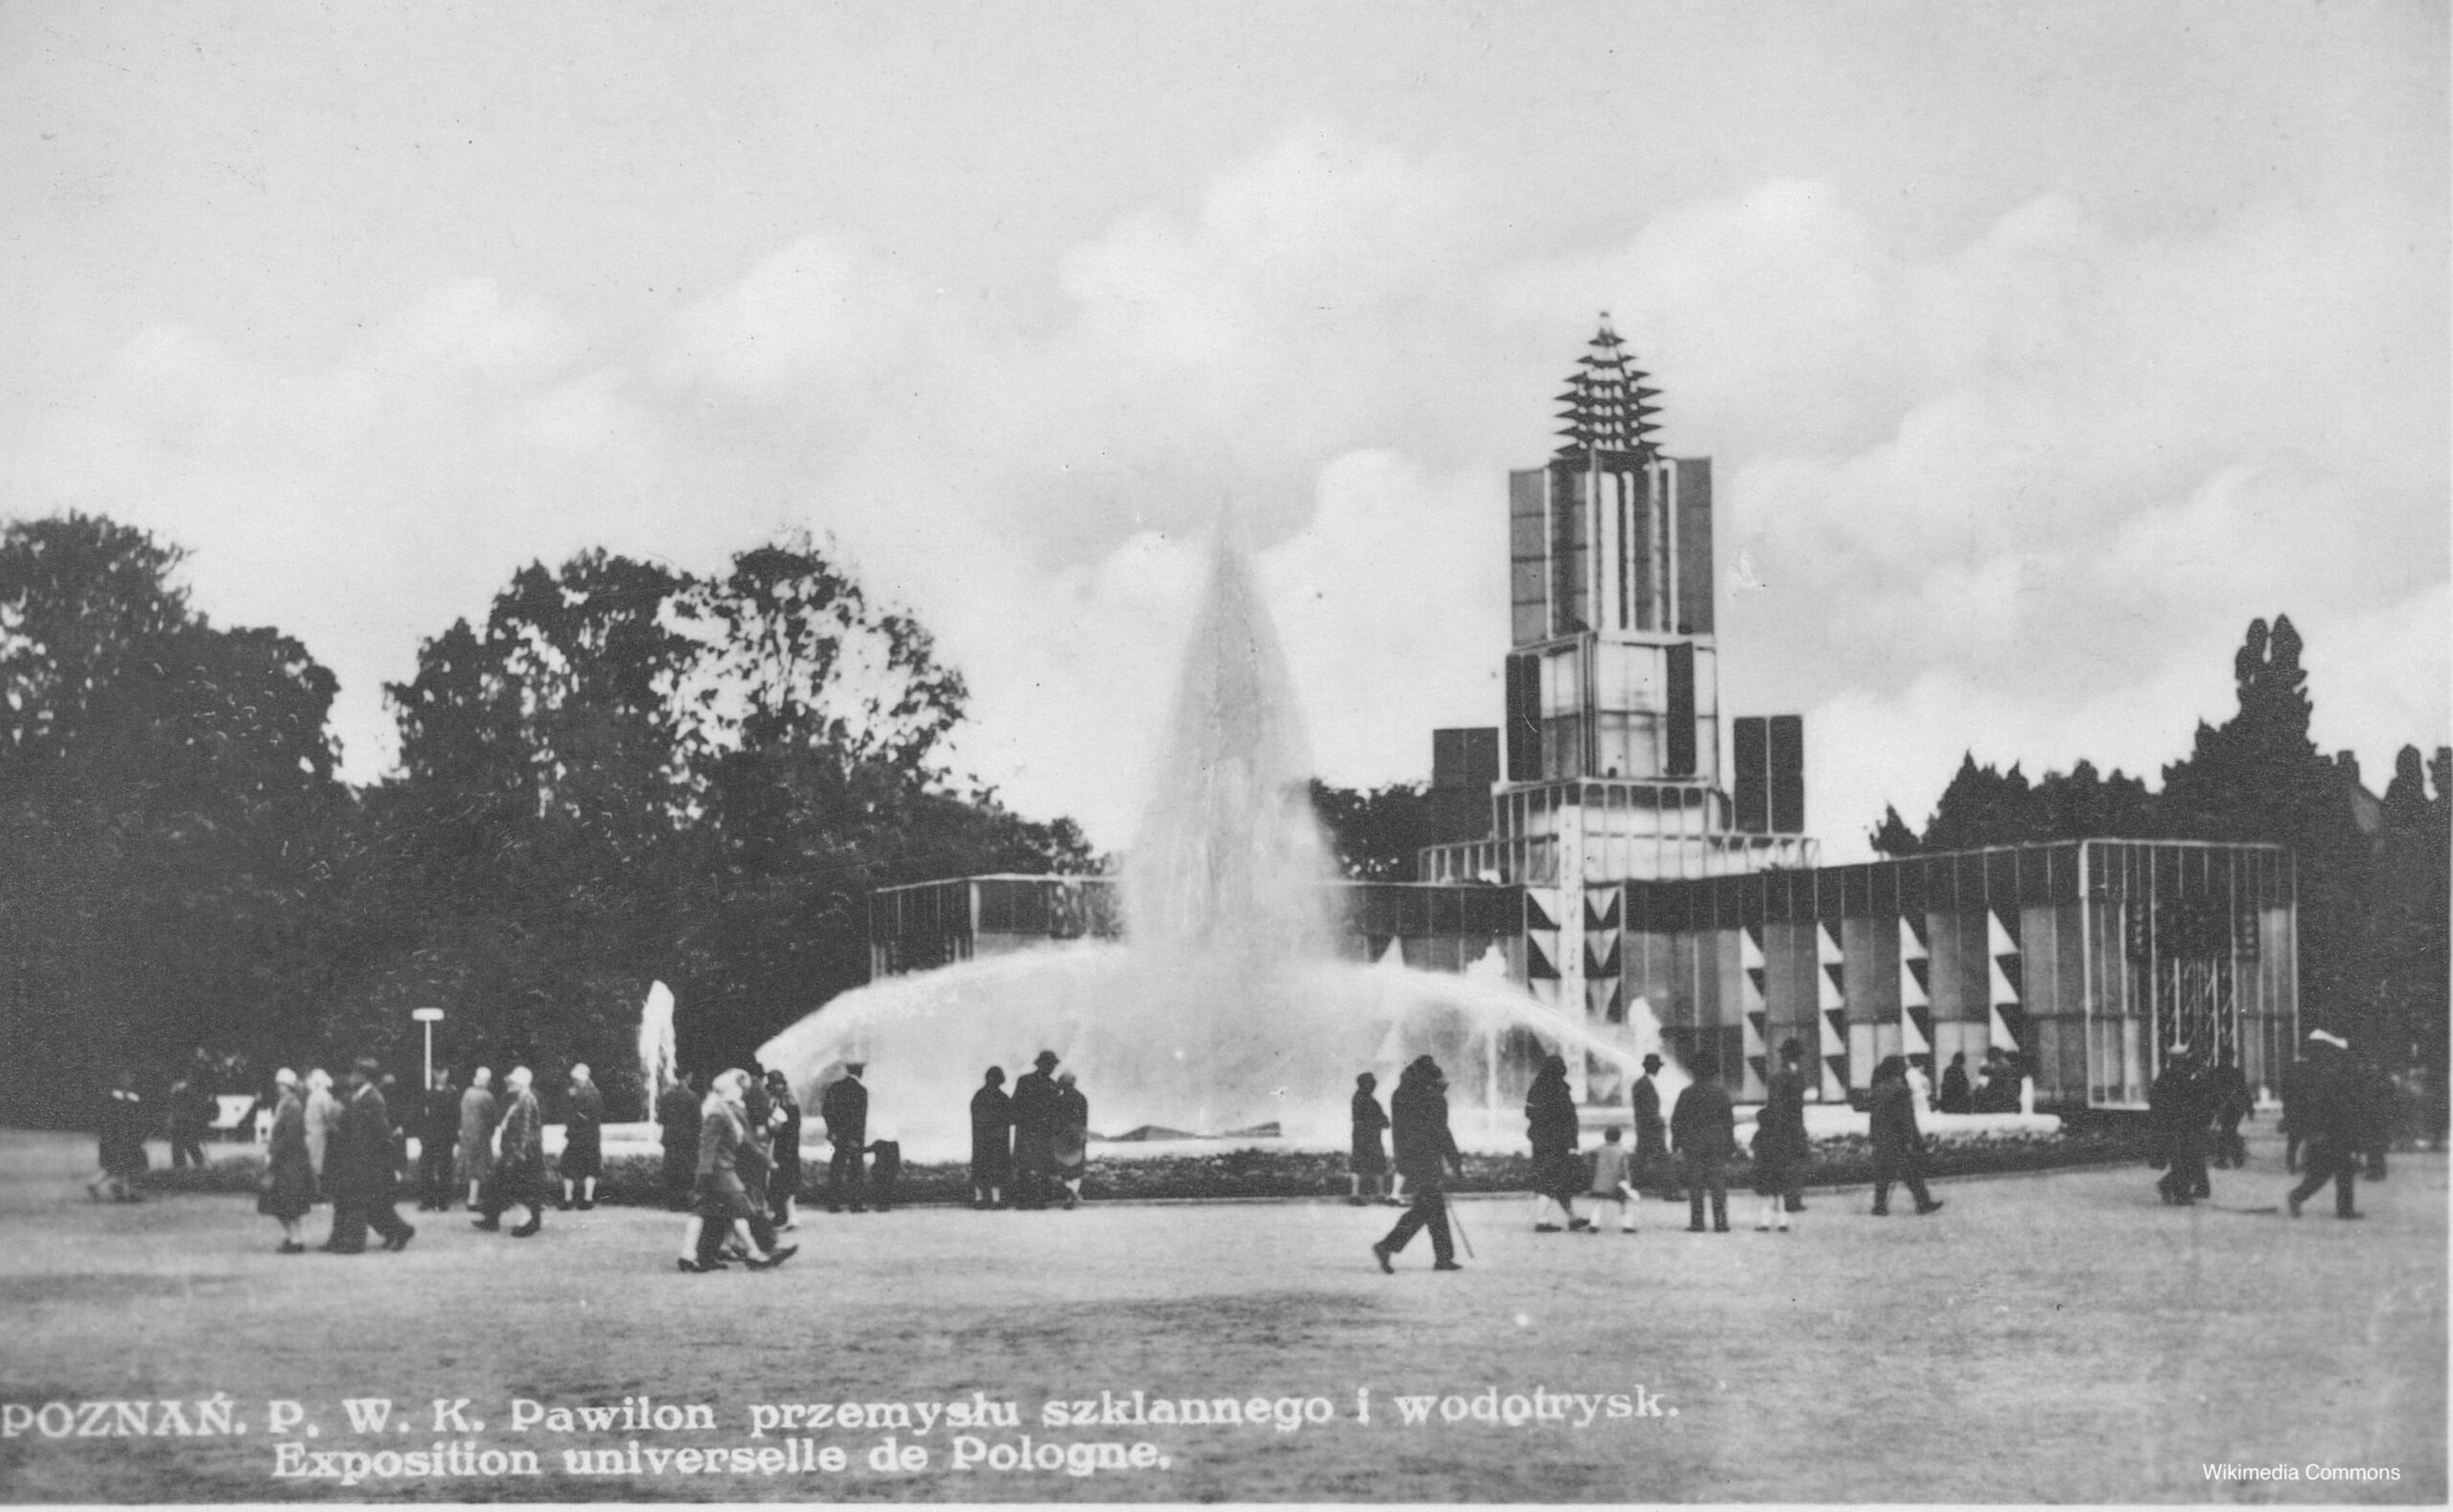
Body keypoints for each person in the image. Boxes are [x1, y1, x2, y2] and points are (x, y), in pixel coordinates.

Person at [678, 1070, 794, 1271]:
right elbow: (708, 1146)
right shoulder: (718, 1112)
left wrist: (768, 1161)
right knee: (743, 1209)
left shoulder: (725, 1111)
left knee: (704, 1212)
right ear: (731, 1090)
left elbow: (744, 1143)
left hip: (718, 1170)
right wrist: (703, 1174)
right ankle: (756, 1253)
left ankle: (691, 1256)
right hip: (720, 1171)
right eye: (740, 1089)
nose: (743, 1093)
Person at [1371, 1055, 1465, 1272]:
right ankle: (1387, 1245)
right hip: (1427, 1159)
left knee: (1433, 1206)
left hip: (1408, 1158)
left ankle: (1443, 1257)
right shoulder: (1432, 1097)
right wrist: (1455, 1160)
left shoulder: (1401, 1092)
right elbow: (1441, 1131)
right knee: (1427, 1207)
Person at [325, 1059, 415, 1253]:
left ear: (364, 1076)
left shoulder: (373, 1099)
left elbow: (381, 1132)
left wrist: (382, 1161)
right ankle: (399, 1231)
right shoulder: (363, 1096)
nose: (352, 1077)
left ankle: (355, 1242)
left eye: (356, 1073)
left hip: (368, 1160)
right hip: (360, 1158)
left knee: (362, 1200)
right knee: (374, 1203)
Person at [2285, 1030, 2363, 1221]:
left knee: (2335, 1170)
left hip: (2328, 1130)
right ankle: (2300, 1197)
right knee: (2330, 1171)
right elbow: (2330, 1103)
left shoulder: (2313, 1071)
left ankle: (2340, 1208)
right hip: (2328, 1131)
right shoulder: (2324, 1073)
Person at [1867, 1055, 1944, 1217]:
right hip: (1899, 1138)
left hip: (1883, 1137)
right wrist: (1910, 1139)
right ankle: (1923, 1203)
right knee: (1912, 1171)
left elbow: (1873, 1117)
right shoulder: (1901, 1091)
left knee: (1884, 1173)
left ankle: (1879, 1206)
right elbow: (1906, 1118)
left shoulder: (1878, 1089)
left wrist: (1873, 1136)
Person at [476, 1065, 546, 1237]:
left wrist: (519, 1153)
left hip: (521, 1153)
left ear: (520, 1083)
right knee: (508, 1185)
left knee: (519, 1188)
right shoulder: (521, 1098)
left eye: (514, 1081)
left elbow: (527, 1129)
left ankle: (527, 1222)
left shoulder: (526, 1100)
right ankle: (496, 1218)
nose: (510, 1083)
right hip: (517, 1151)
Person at [1751, 1039, 1810, 1231]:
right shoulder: (1796, 1075)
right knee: (1793, 1163)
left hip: (1785, 1127)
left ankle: (1791, 1200)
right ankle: (1792, 1200)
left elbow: (1774, 1104)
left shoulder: (1780, 1076)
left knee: (1791, 1163)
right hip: (1791, 1127)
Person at [1670, 1057, 1734, 1233]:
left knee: (1696, 1185)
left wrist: (1676, 1143)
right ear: (1713, 1074)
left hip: (1693, 1145)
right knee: (1718, 1184)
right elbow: (1729, 1122)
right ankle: (1720, 1222)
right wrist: (1730, 1145)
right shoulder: (1721, 1093)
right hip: (1716, 1144)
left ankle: (1697, 1223)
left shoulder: (1686, 1093)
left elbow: (1677, 1120)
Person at [1525, 1053, 1584, 1231]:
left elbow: (1529, 1113)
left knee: (1559, 1182)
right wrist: (1572, 1143)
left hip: (1540, 1142)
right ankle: (1541, 1221)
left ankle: (1573, 1219)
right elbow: (1568, 1119)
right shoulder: (1559, 1089)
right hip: (1557, 1144)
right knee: (1551, 1181)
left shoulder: (1536, 1088)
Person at [258, 1068, 316, 1250]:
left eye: (281, 1084)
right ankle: (294, 1238)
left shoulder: (292, 1106)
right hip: (288, 1159)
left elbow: (288, 1136)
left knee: (283, 1201)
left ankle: (295, 1239)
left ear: (289, 1086)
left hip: (288, 1160)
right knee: (287, 1202)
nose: (278, 1087)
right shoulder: (286, 1104)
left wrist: (273, 1155)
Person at [2148, 1045, 2209, 1206]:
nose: (2180, 1064)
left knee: (2188, 1159)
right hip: (2173, 1127)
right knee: (2182, 1160)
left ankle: (2169, 1186)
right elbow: (2157, 1104)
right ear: (2173, 1061)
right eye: (2178, 1061)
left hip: (2185, 1126)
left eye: (2182, 1061)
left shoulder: (2176, 1078)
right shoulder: (2169, 1079)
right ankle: (2181, 1194)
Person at [1010, 1050, 1061, 1210]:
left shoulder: (1032, 1082)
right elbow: (1015, 1105)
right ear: (1040, 1065)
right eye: (1049, 1064)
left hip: (1035, 1131)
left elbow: (1015, 1105)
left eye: (1053, 1065)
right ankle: (1031, 1200)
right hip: (1033, 1131)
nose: (1051, 1068)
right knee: (1031, 1166)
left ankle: (1033, 1200)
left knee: (1036, 1166)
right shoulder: (1034, 1082)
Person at [86, 1070, 148, 1203]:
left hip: (122, 1137)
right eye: (124, 1078)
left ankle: (120, 1188)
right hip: (119, 1137)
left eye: (129, 1077)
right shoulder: (117, 1098)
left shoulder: (132, 1098)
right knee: (125, 1164)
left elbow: (138, 1119)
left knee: (120, 1165)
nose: (127, 1080)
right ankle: (127, 1190)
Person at [821, 1063, 870, 1213]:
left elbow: (826, 1111)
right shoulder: (861, 1091)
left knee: (837, 1168)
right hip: (854, 1137)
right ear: (860, 1073)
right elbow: (859, 1118)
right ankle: (855, 1204)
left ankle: (833, 1204)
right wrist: (856, 1138)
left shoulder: (834, 1087)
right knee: (855, 1170)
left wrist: (832, 1131)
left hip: (839, 1136)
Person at [561, 1064, 604, 1211]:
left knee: (569, 1166)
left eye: (577, 1079)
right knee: (590, 1166)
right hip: (591, 1136)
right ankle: (587, 1199)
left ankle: (568, 1199)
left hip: (577, 1135)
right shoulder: (594, 1092)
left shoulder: (575, 1092)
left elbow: (570, 1113)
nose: (575, 1082)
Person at [657, 1072, 701, 1210]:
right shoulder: (693, 1097)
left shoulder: (667, 1097)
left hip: (671, 1138)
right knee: (687, 1170)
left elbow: (661, 1119)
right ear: (689, 1077)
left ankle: (673, 1203)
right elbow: (698, 1122)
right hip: (688, 1140)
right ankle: (687, 1203)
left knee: (672, 1170)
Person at [970, 1066, 1013, 1208]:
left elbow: (975, 1115)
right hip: (998, 1139)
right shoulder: (1003, 1097)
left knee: (980, 1167)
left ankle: (979, 1199)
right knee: (997, 1168)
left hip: (981, 1139)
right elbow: (1011, 1117)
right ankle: (996, 1200)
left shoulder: (979, 1096)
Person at [417, 1068, 459, 1211]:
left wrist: (455, 1135)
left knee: (445, 1168)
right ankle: (427, 1200)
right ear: (434, 1075)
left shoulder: (452, 1094)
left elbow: (456, 1115)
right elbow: (420, 1113)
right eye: (439, 1073)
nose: (442, 1076)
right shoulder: (428, 1094)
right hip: (430, 1136)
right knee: (426, 1167)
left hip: (446, 1136)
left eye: (444, 1073)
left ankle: (442, 1201)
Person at [1582, 1126, 1637, 1233]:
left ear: (1605, 1137)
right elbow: (1625, 1169)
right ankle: (1627, 1226)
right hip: (1616, 1183)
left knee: (1598, 1203)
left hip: (1600, 1183)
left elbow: (1588, 1155)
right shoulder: (1622, 1151)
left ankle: (1594, 1224)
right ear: (1620, 1137)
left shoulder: (1600, 1149)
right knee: (1623, 1203)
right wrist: (1628, 1183)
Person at [1629, 1053, 1669, 1201]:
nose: (1658, 1069)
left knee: (1640, 1160)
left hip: (1644, 1128)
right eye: (1657, 1066)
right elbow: (1648, 1110)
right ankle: (1671, 1192)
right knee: (1663, 1161)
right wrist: (1659, 1122)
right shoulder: (1645, 1085)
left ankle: (1629, 1189)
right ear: (1652, 1067)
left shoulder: (1641, 1083)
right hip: (1651, 1129)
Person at [766, 1070, 802, 1229]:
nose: (777, 1086)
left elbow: (784, 1127)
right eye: (775, 1084)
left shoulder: (785, 1103)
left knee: (782, 1181)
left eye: (779, 1083)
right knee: (784, 1182)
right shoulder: (786, 1101)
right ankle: (788, 1216)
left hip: (784, 1146)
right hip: (786, 1146)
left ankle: (786, 1216)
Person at [458, 1067, 498, 1210]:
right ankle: (473, 1200)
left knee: (469, 1166)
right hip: (481, 1136)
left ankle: (470, 1196)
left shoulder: (467, 1094)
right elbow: (493, 1119)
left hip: (467, 1135)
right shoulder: (488, 1097)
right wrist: (491, 1132)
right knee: (480, 1167)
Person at [1348, 1071, 1390, 1205]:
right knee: (1379, 1165)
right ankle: (1380, 1194)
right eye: (1372, 1083)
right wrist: (1383, 1121)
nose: (1374, 1085)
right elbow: (1383, 1122)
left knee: (1357, 1165)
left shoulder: (1356, 1098)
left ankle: (1354, 1194)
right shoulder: (1371, 1101)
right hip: (1372, 1137)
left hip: (1359, 1136)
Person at [2205, 1051, 2252, 1170]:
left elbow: (2209, 1092)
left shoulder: (2215, 1073)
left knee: (2226, 1132)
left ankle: (2226, 1159)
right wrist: (2250, 1109)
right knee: (2229, 1131)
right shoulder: (2237, 1073)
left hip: (2223, 1107)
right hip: (2235, 1108)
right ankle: (2236, 1158)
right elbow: (2244, 1092)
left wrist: (2210, 1108)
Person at [1051, 1070, 1089, 1209]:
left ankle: (1070, 1193)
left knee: (1065, 1166)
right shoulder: (1081, 1098)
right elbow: (1084, 1120)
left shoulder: (1059, 1100)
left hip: (1063, 1137)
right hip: (1078, 1136)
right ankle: (1074, 1192)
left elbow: (1055, 1121)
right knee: (1076, 1166)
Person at [304, 1067, 342, 1199]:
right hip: (320, 1133)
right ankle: (318, 1193)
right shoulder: (326, 1097)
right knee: (320, 1163)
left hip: (309, 1132)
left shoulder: (311, 1096)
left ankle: (312, 1192)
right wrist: (336, 1129)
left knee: (312, 1163)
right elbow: (329, 1117)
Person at [166, 1065, 210, 1171]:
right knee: (180, 1147)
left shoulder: (188, 1091)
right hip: (180, 1122)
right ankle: (183, 1168)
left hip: (185, 1122)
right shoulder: (179, 1090)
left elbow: (193, 1107)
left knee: (189, 1145)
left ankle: (196, 1166)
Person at [2279, 1047, 2311, 1174]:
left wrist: (2286, 1108)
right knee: (2309, 1137)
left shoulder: (2290, 1069)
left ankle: (2291, 1165)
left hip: (2293, 1109)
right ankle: (2307, 1163)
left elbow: (2284, 1091)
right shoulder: (2311, 1069)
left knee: (2293, 1140)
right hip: (2307, 1109)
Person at [1937, 1051, 1972, 1115]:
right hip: (1953, 1099)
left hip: (1951, 1099)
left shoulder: (1957, 1071)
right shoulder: (1955, 1071)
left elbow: (1965, 1085)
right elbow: (1964, 1086)